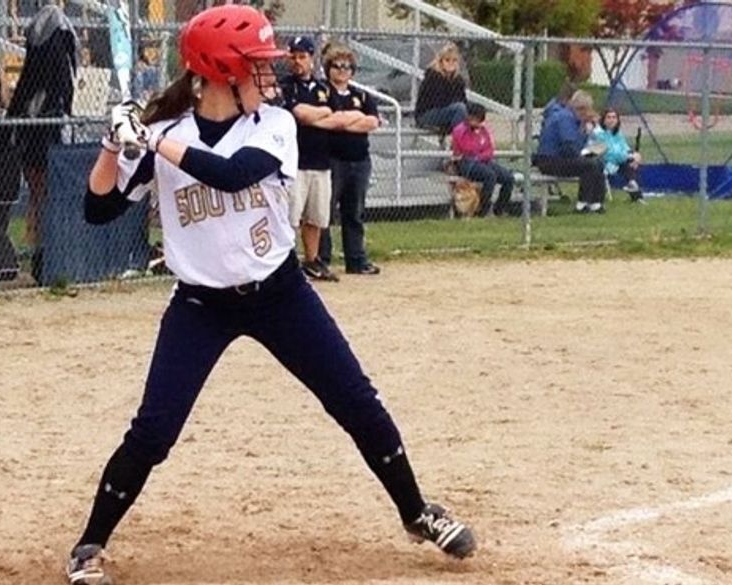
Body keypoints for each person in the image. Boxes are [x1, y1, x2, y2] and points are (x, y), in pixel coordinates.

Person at [66, 6, 477, 583]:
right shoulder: (166, 135)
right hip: (200, 305)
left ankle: (417, 511)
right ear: (220, 72)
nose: (269, 77)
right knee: (153, 431)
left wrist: (153, 144)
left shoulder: (274, 126)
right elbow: (98, 210)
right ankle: (88, 545)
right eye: (255, 66)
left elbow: (232, 175)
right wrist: (114, 146)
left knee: (356, 401)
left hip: (280, 293)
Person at [6, 0, 79, 277]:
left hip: (47, 134)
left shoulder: (54, 85)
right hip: (37, 136)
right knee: (39, 195)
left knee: (45, 195)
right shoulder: (36, 85)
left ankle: (45, 251)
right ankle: (39, 250)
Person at [280, 36, 355, 282]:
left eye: (302, 56)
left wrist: (319, 115)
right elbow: (298, 113)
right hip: (296, 162)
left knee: (316, 217)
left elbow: (338, 117)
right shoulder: (286, 85)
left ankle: (312, 260)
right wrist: (321, 115)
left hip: (321, 161)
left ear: (312, 59)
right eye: (293, 56)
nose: (297, 61)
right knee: (291, 216)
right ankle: (285, 261)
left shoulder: (323, 88)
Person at [319, 43, 381, 276]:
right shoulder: (323, 92)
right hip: (333, 159)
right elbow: (328, 121)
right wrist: (353, 119)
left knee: (354, 212)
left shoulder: (361, 95)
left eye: (347, 66)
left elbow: (372, 122)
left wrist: (345, 120)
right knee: (325, 211)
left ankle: (356, 259)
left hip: (360, 160)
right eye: (337, 66)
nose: (343, 70)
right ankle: (322, 259)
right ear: (329, 68)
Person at [532, 90, 607, 214]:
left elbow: (574, 148)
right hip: (549, 160)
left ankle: (596, 203)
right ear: (581, 109)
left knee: (598, 163)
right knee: (590, 165)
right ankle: (582, 204)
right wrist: (585, 144)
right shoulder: (565, 118)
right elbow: (569, 147)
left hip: (560, 157)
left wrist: (585, 137)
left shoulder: (573, 119)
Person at [451, 103, 516, 217]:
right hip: (465, 163)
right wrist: (476, 142)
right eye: (473, 118)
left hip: (482, 161)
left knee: (508, 178)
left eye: (478, 119)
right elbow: (467, 149)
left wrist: (480, 156)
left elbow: (489, 149)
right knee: (490, 176)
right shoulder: (460, 130)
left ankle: (499, 209)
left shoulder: (483, 130)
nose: (476, 121)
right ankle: (482, 210)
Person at [590, 108, 644, 203]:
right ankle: (635, 190)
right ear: (604, 119)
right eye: (609, 117)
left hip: (617, 161)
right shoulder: (598, 134)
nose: (612, 120)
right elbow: (608, 154)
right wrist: (629, 156)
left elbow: (625, 148)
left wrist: (634, 155)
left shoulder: (617, 133)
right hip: (603, 162)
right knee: (628, 162)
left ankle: (634, 188)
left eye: (614, 117)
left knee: (631, 162)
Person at [415, 42, 468, 135]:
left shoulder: (458, 79)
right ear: (441, 61)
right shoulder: (433, 76)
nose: (451, 63)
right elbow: (439, 102)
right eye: (447, 60)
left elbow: (463, 100)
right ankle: (458, 142)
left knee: (472, 113)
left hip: (447, 112)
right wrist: (455, 101)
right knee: (460, 108)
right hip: (426, 115)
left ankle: (466, 143)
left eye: (454, 60)